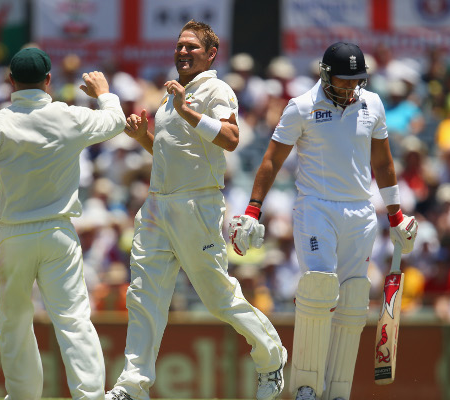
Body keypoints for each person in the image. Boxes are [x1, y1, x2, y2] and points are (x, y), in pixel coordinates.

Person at [106, 20, 287, 400]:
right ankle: (132, 386)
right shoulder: (177, 94)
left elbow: (231, 138)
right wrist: (143, 137)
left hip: (196, 204)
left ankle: (271, 356)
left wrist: (185, 109)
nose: (183, 52)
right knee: (143, 295)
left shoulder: (214, 89)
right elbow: (171, 153)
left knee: (218, 298)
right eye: (180, 46)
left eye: (192, 47)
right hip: (157, 203)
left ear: (210, 55)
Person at [228, 42, 419, 400]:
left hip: (360, 212)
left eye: (355, 82)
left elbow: (383, 163)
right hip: (316, 208)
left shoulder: (372, 104)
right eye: (343, 82)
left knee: (352, 300)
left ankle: (337, 391)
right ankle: (306, 387)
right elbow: (271, 160)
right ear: (325, 75)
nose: (349, 89)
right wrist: (253, 208)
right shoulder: (301, 107)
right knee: (318, 287)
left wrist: (396, 215)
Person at [0, 47, 125, 400]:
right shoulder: (68, 116)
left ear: (11, 81)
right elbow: (116, 122)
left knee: (14, 324)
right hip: (58, 232)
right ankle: (90, 396)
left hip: (13, 234)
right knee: (74, 320)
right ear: (49, 80)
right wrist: (105, 93)